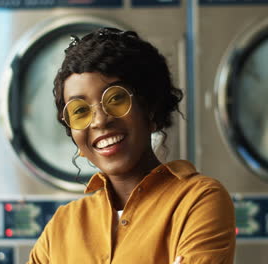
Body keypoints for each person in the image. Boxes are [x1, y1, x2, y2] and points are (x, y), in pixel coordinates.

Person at [27, 27, 235, 264]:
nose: (100, 120)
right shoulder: (62, 225)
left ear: (150, 107)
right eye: (80, 111)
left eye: (116, 98)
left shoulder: (198, 200)